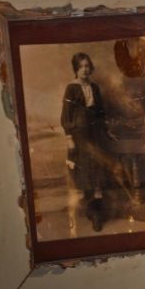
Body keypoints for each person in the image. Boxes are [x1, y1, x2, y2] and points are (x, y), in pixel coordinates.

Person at [60, 52, 110, 229]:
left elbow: (101, 111)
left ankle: (96, 211)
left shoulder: (94, 87)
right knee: (84, 172)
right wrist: (69, 137)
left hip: (96, 134)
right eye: (81, 66)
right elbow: (66, 115)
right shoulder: (71, 88)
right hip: (80, 137)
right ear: (76, 69)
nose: (85, 69)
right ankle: (93, 213)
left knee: (98, 171)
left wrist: (107, 130)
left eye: (87, 66)